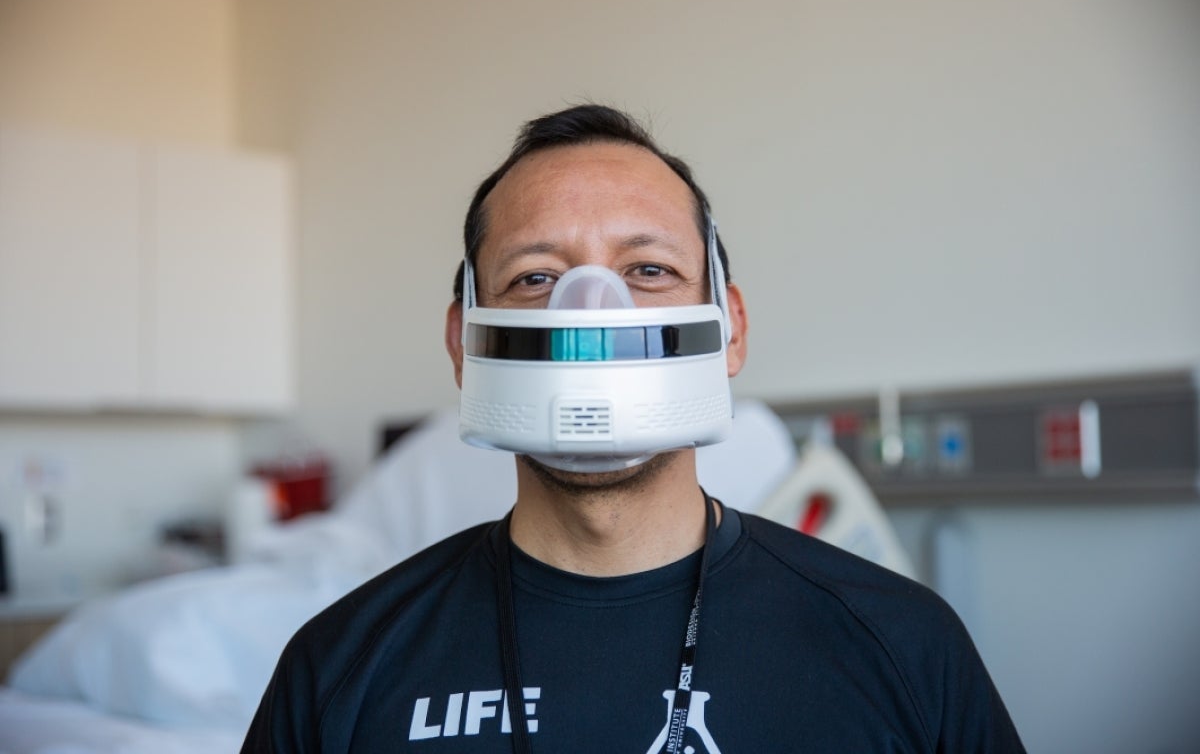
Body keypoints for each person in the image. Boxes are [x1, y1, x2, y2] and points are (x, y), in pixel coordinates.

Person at [242, 104, 1025, 752]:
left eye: (648, 271)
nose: (592, 317)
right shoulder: (341, 667)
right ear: (463, 342)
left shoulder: (903, 644)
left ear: (731, 329)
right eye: (536, 278)